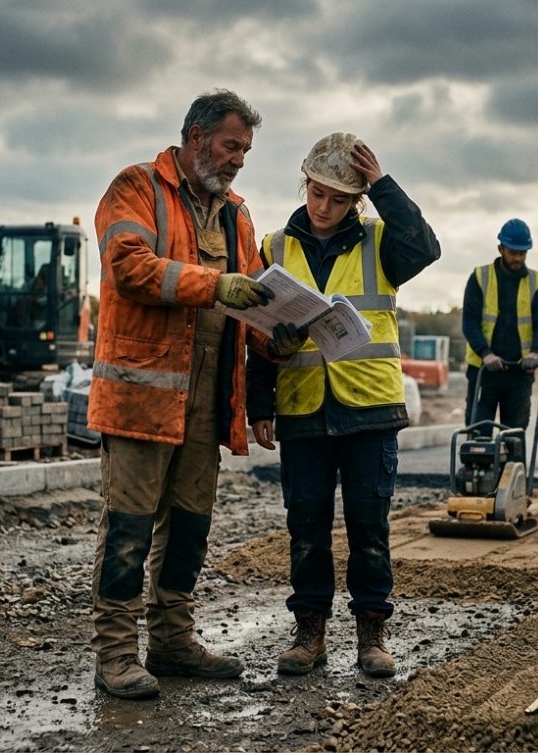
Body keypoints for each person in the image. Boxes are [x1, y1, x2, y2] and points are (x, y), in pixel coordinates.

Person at [88, 89, 303, 700]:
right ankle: (116, 654)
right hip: (141, 400)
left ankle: (173, 641)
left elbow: (251, 302)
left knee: (188, 530)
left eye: (246, 151)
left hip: (208, 404)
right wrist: (218, 284)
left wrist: (280, 339)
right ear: (196, 135)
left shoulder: (236, 214)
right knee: (129, 528)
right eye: (232, 145)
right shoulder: (136, 187)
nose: (239, 160)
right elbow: (129, 266)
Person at [246, 132, 440, 678]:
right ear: (304, 186)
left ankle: (372, 635)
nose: (323, 207)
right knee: (306, 525)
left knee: (368, 525)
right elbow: (256, 334)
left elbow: (426, 246)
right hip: (303, 410)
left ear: (355, 200)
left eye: (337, 198)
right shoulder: (274, 247)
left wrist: (382, 185)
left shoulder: (382, 242)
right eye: (316, 193)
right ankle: (309, 634)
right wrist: (260, 402)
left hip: (370, 411)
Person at [460, 218, 538, 433]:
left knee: (513, 438)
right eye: (513, 252)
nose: (518, 258)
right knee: (478, 435)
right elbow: (469, 322)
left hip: (519, 373)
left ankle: (512, 466)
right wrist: (485, 353)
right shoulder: (480, 277)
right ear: (500, 248)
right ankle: (476, 466)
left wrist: (536, 352)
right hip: (484, 371)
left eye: (523, 253)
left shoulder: (535, 282)